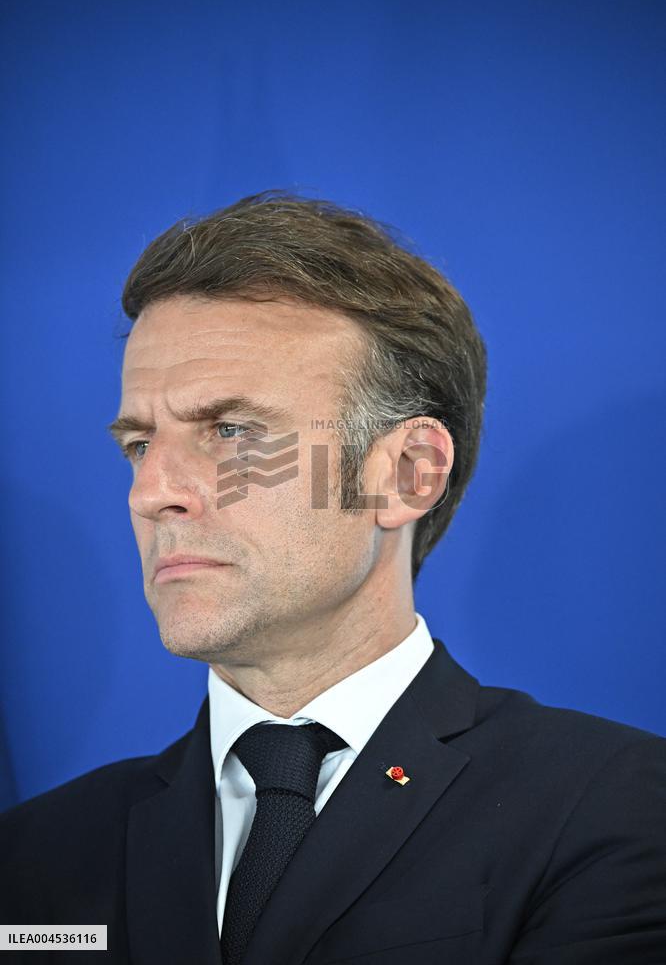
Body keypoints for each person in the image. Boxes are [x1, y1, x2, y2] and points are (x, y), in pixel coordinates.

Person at [1, 191, 664, 965]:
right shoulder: (32, 858)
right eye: (139, 444)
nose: (152, 493)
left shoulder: (613, 808)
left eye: (231, 430)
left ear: (408, 474)